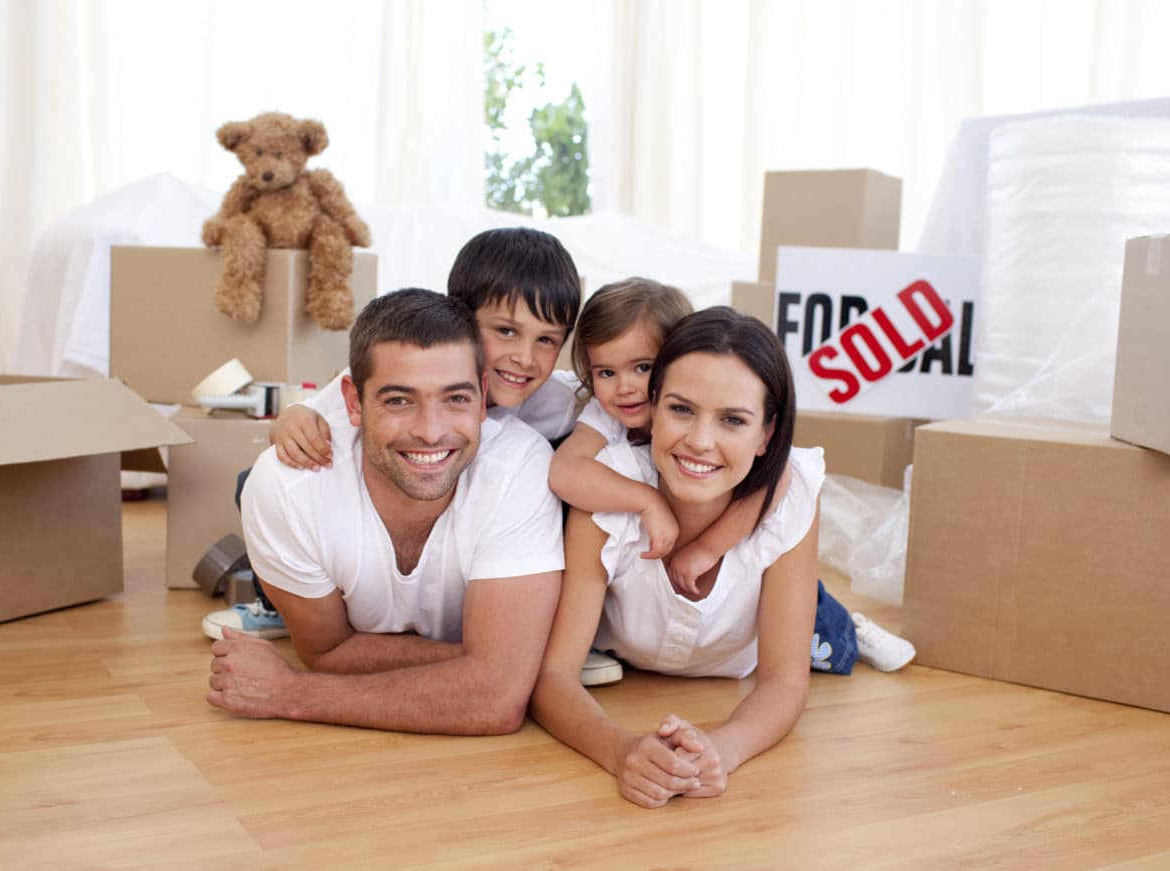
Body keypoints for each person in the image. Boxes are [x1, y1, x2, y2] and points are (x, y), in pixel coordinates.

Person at [529, 307, 898, 807]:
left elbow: (784, 683)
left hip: (755, 654)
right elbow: (553, 678)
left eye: (733, 420)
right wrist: (621, 751)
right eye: (681, 409)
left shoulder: (789, 498)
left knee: (824, 630)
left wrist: (721, 748)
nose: (700, 441)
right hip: (635, 661)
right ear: (651, 407)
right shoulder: (608, 490)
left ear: (766, 435)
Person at [206, 289, 564, 734]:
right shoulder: (287, 485)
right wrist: (500, 664)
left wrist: (290, 692)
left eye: (456, 399)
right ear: (353, 402)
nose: (431, 433)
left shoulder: (522, 463)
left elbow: (495, 699)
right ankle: (267, 592)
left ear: (482, 393)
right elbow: (328, 652)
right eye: (399, 401)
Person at [202, 226, 582, 642]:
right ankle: (281, 604)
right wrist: (291, 417)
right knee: (254, 481)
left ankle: (563, 632)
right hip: (401, 500)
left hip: (493, 526)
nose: (524, 358)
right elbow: (305, 419)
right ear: (458, 319)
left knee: (567, 491)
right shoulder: (391, 374)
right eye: (505, 331)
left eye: (547, 340)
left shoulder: (558, 401)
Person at [548, 281, 913, 681]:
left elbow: (776, 483)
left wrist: (707, 548)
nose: (626, 387)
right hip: (653, 580)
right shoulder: (606, 416)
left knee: (814, 621)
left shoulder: (700, 400)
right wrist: (646, 501)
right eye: (605, 371)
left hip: (738, 558)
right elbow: (566, 471)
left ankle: (851, 630)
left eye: (643, 367)